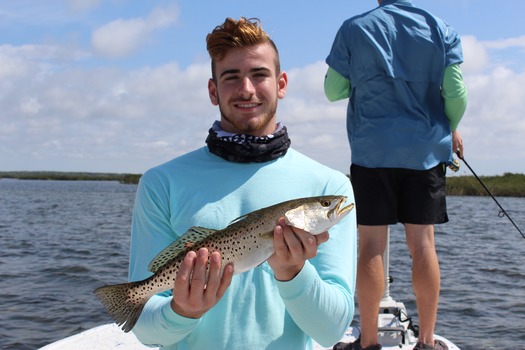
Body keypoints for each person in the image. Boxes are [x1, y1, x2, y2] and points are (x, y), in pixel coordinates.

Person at [128, 17, 357, 350]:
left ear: (281, 84)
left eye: (259, 74)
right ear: (212, 90)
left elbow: (332, 331)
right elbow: (145, 332)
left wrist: (294, 271)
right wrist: (182, 310)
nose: (246, 89)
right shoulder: (161, 183)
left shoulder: (328, 184)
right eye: (231, 77)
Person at [324, 1, 467, 350]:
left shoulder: (354, 29)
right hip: (425, 152)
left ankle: (368, 342)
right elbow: (457, 95)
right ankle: (428, 342)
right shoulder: (441, 28)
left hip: (372, 153)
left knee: (372, 245)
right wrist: (453, 129)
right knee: (423, 245)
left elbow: (332, 90)